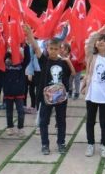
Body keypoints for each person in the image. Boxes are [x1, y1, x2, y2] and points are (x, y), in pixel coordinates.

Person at [26, 25, 75, 155]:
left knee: (61, 121)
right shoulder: (44, 61)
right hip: (46, 97)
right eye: (51, 48)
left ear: (60, 49)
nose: (53, 51)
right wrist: (30, 34)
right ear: (47, 48)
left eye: (56, 49)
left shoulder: (63, 62)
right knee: (43, 121)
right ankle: (45, 144)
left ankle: (61, 143)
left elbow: (74, 73)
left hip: (60, 97)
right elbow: (36, 47)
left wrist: (68, 61)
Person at [80, 26, 105, 158]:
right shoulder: (91, 57)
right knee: (90, 121)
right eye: (99, 40)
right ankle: (90, 144)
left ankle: (103, 145)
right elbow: (89, 41)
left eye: (104, 41)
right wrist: (103, 29)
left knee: (104, 122)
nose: (101, 42)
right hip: (91, 95)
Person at [3, 44, 31, 137]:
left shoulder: (21, 66)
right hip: (8, 92)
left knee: (20, 111)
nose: (12, 59)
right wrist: (9, 51)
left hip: (19, 92)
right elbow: (3, 57)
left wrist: (26, 45)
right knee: (9, 111)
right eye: (10, 58)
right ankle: (10, 127)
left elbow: (27, 58)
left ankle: (20, 128)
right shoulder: (5, 66)